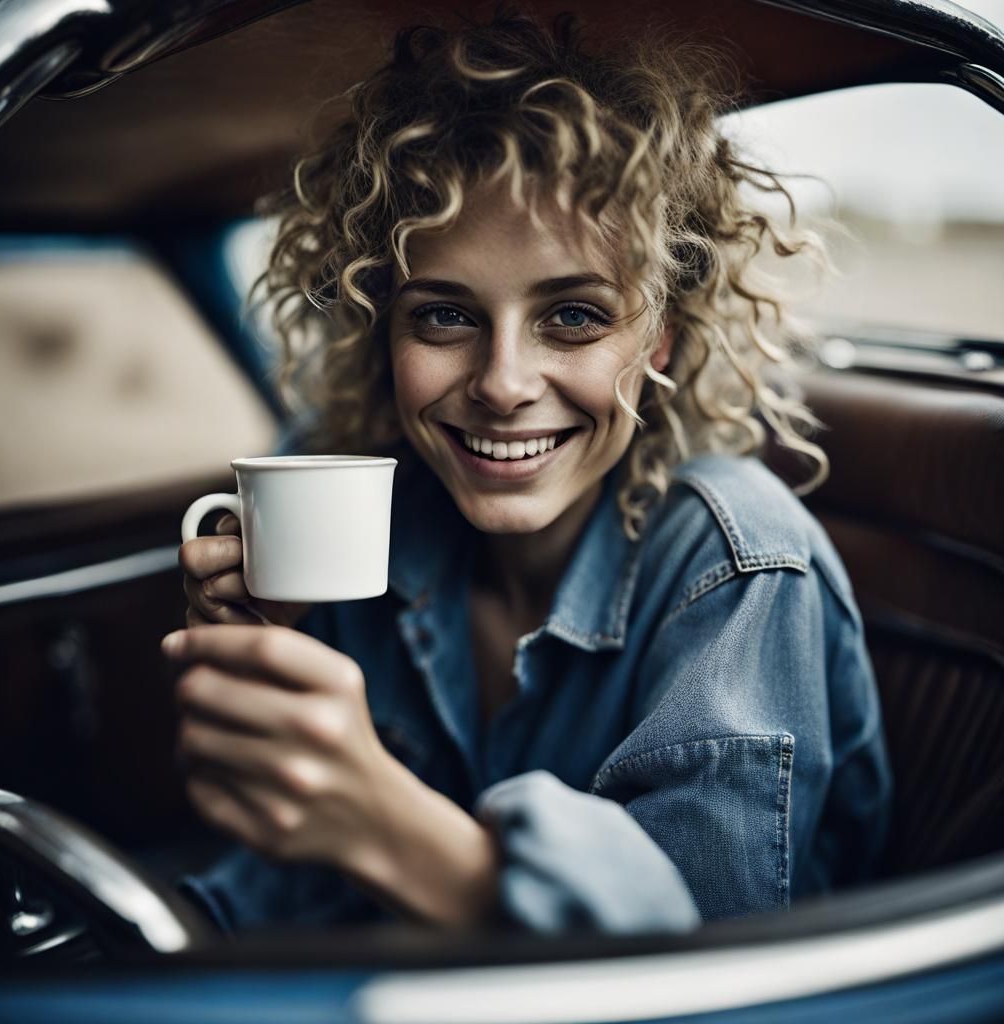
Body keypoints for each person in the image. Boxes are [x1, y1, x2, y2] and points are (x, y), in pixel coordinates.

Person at [164, 10, 892, 934]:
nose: (503, 384)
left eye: (574, 317)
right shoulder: (363, 507)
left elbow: (696, 969)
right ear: (382, 331)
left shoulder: (737, 565)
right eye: (444, 316)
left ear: (660, 340)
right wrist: (269, 656)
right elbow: (289, 891)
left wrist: (386, 826)